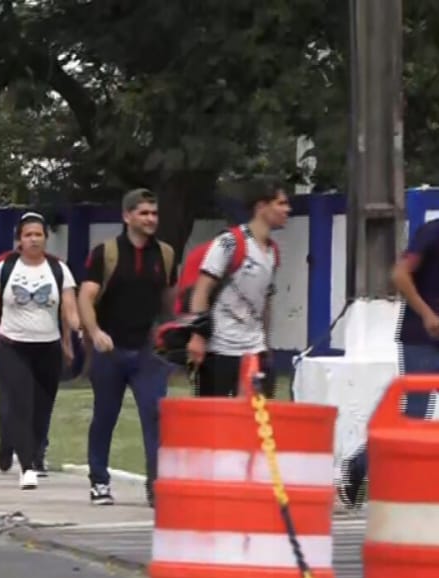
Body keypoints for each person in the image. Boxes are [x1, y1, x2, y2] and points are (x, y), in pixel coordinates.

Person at [78, 189, 176, 506]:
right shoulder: (105, 253)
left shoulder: (164, 254)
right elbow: (86, 296)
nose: (150, 219)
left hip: (148, 352)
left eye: (154, 213)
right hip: (110, 349)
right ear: (127, 216)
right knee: (106, 415)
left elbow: (169, 299)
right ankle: (99, 481)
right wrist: (94, 332)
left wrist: (170, 330)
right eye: (144, 213)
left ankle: (156, 485)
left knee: (156, 416)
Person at [0, 212, 81, 490]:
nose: (34, 240)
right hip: (11, 345)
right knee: (20, 403)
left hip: (48, 347)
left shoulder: (59, 270)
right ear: (19, 240)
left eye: (38, 235)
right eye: (28, 235)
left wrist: (75, 335)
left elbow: (68, 309)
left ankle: (24, 446)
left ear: (46, 238)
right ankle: (28, 465)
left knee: (42, 408)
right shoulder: (5, 268)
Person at [338, 213, 439, 507]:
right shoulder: (432, 232)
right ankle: (359, 465)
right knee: (414, 416)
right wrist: (427, 314)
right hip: (422, 337)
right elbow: (399, 274)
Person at [186, 178, 290, 398]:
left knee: (257, 421)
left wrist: (266, 345)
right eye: (280, 203)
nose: (287, 210)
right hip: (220, 349)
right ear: (261, 207)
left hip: (255, 349)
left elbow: (265, 302)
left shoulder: (272, 252)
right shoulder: (229, 241)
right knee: (215, 423)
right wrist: (198, 336)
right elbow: (202, 288)